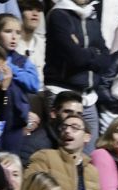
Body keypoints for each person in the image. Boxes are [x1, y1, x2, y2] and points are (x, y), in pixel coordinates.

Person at [45, 0, 112, 152]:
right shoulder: (59, 14)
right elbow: (74, 57)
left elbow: (106, 57)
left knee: (88, 154)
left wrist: (85, 52)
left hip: (88, 97)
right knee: (65, 149)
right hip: (62, 93)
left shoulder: (91, 14)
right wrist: (94, 53)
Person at [25, 112, 107, 190]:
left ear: (87, 137)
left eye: (75, 128)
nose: (67, 131)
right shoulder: (45, 157)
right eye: (64, 127)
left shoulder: (92, 171)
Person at [0, 13, 40, 93]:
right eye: (8, 31)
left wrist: (11, 68)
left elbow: (34, 85)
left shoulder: (23, 60)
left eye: (18, 32)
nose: (14, 37)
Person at [15, 0, 45, 78]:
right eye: (29, 9)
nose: (35, 14)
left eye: (38, 11)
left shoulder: (42, 44)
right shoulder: (13, 43)